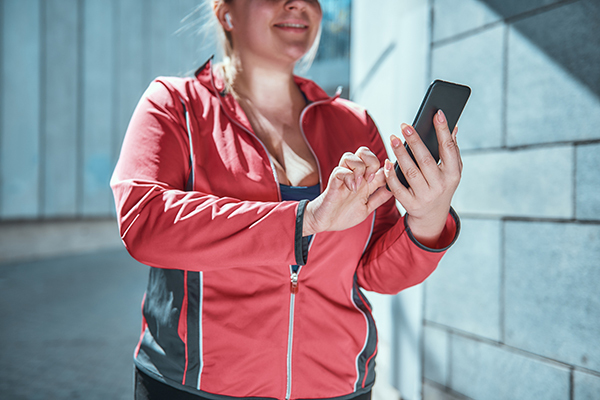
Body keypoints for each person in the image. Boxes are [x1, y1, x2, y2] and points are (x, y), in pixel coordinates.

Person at [111, 0, 462, 399]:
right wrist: (304, 220)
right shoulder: (175, 104)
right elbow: (145, 224)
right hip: (196, 388)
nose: (297, 4)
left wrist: (427, 220)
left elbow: (374, 272)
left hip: (340, 388)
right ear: (226, 13)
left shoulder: (354, 124)